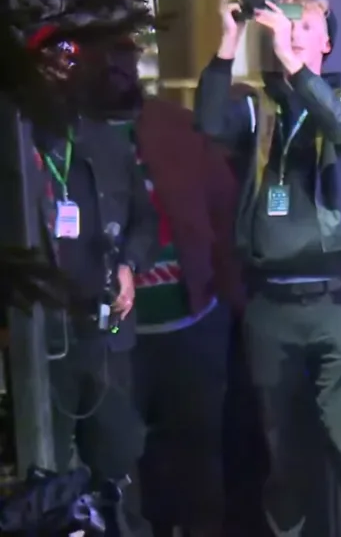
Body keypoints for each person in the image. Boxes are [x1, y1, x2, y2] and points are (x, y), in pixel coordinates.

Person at [193, 0, 341, 537]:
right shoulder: (258, 105)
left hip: (331, 303)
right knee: (283, 454)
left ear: (326, 41)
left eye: (304, 24)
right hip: (271, 304)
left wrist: (295, 69)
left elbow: (340, 131)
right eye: (285, 20)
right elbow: (206, 122)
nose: (291, 30)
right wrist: (228, 44)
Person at [77, 36, 245, 536]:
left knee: (197, 462)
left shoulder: (172, 125)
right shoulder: (70, 132)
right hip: (113, 337)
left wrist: (233, 303)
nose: (115, 65)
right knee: (122, 463)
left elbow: (223, 210)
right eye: (103, 54)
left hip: (192, 323)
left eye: (124, 54)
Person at [30, 32, 159, 536]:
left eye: (71, 60)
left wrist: (130, 264)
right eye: (51, 60)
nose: (62, 70)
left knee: (120, 464)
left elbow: (145, 221)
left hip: (106, 334)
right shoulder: (19, 141)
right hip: (43, 339)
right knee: (52, 475)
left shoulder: (107, 140)